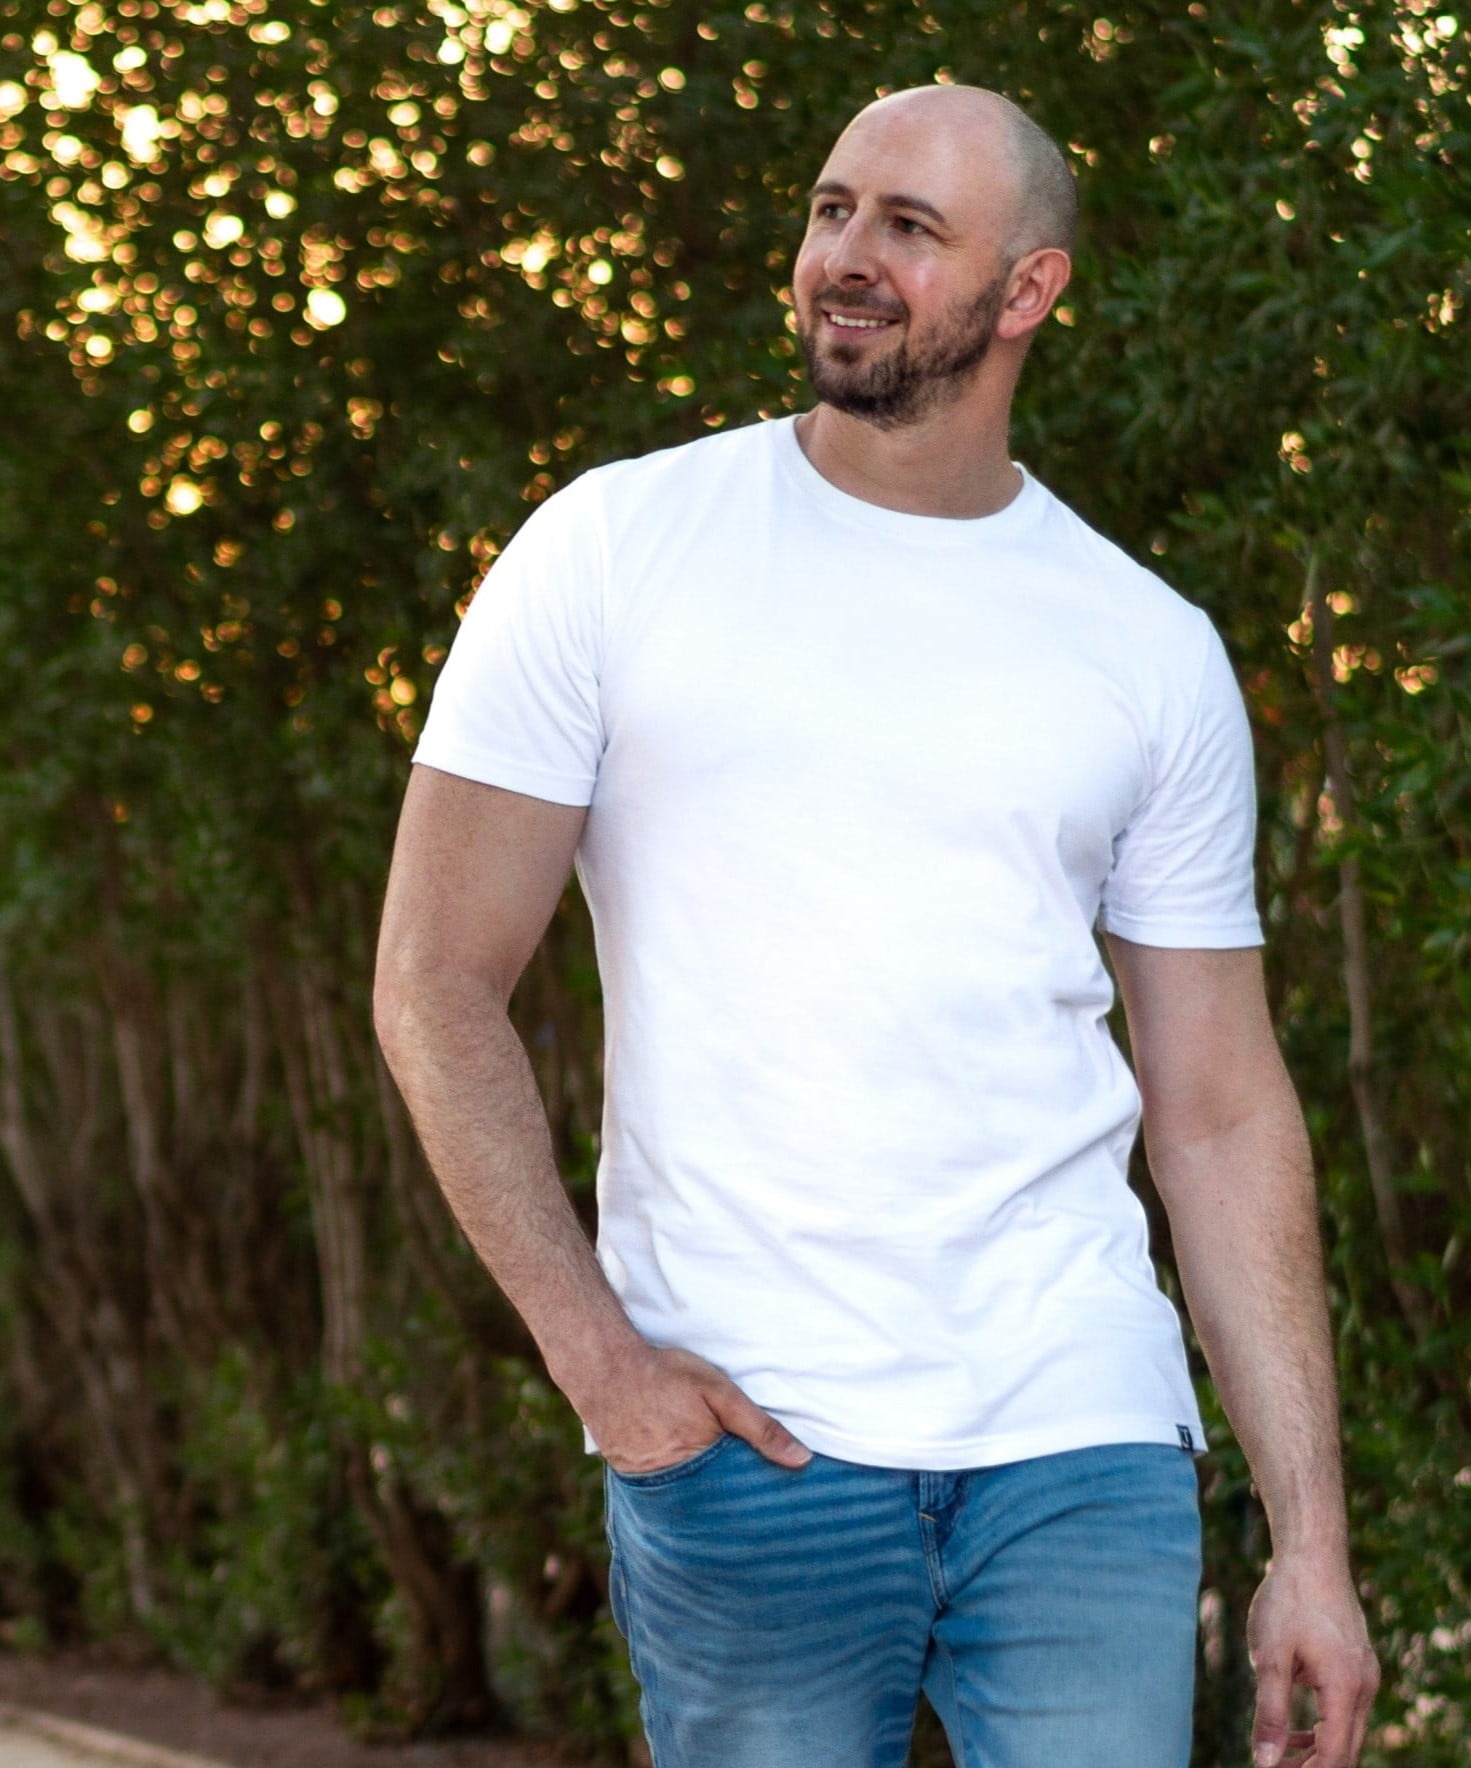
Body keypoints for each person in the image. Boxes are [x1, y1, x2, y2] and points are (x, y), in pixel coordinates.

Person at [374, 81, 1379, 1768]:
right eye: (835, 209)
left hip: (1082, 1436)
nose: (848, 255)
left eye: (911, 229)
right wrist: (602, 1370)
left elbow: (1217, 1107)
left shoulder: (1146, 646)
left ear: (1030, 290)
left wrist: (1316, 1549)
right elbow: (432, 983)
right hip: (748, 1444)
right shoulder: (615, 552)